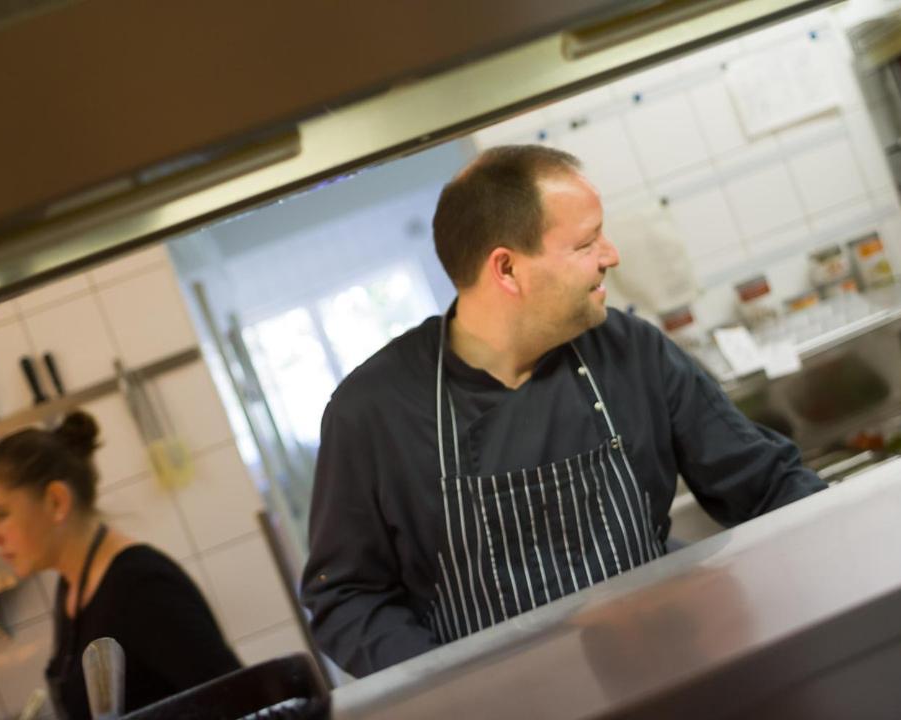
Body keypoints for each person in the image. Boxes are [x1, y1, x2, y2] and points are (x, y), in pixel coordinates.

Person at [301, 145, 826, 677]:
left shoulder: (632, 351)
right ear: (506, 269)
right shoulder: (371, 413)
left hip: (675, 679)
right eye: (586, 242)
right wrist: (453, 696)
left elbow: (768, 482)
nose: (611, 255)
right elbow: (346, 597)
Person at [0, 411, 241, 719]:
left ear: (56, 501)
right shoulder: (73, 587)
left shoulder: (141, 587)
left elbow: (240, 703)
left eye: (0, 514)